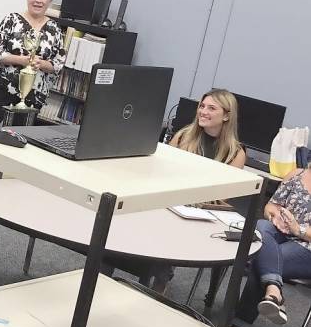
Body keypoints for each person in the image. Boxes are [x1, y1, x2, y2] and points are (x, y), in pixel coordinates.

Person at [105, 89, 247, 292]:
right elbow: (162, 174)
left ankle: (157, 287)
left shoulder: (235, 153)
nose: (203, 112)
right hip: (170, 201)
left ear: (226, 116)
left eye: (211, 108)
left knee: (173, 228)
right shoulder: (183, 137)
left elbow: (221, 198)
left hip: (200, 213)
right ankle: (104, 269)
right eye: (202, 106)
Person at [224, 165, 311, 327]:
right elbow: (270, 206)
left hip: (307, 248)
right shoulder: (297, 174)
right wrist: (275, 217)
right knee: (261, 225)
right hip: (280, 236)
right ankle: (274, 290)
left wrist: (299, 230)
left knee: (263, 258)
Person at [0, 0, 65, 132]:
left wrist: (40, 64)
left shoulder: (54, 29)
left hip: (33, 96)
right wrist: (22, 60)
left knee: (17, 141)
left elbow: (58, 63)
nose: (38, 0)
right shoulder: (12, 20)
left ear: (50, 1)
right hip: (2, 88)